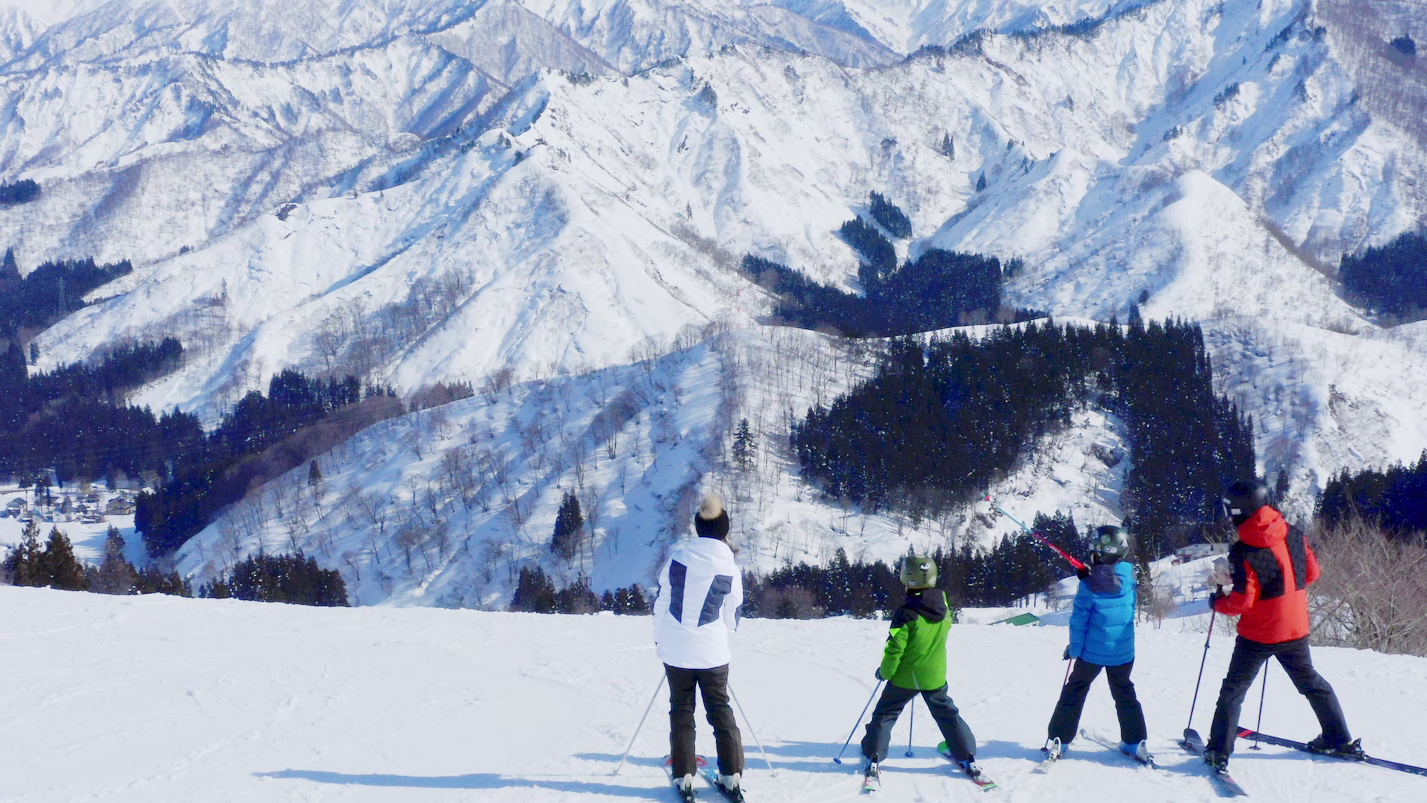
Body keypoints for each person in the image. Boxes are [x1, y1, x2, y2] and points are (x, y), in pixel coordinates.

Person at [1202, 480, 1360, 771]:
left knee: (1234, 690)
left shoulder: (1243, 550)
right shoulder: (1293, 533)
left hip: (1259, 632)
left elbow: (1242, 602)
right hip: (1296, 627)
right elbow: (1311, 573)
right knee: (1311, 683)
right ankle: (1339, 739)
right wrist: (1279, 590)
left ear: (1239, 512)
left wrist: (1217, 602)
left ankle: (1218, 751)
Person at [652, 493, 745, 800]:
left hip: (676, 649)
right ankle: (731, 775)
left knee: (681, 709)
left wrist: (659, 638)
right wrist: (724, 634)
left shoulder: (678, 559)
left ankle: (684, 775)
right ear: (724, 530)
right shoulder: (730, 568)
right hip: (713, 652)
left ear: (697, 528)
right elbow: (732, 613)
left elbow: (662, 603)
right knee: (720, 709)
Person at [859, 555, 983, 784]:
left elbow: (894, 649)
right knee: (947, 714)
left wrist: (885, 673)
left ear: (906, 578)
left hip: (905, 677)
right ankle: (967, 754)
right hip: (935, 675)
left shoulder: (906, 613)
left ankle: (873, 753)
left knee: (885, 714)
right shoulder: (944, 606)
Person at [1043, 525, 1149, 761]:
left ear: (1098, 552)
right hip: (1123, 652)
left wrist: (1074, 650)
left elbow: (1078, 622)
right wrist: (1093, 574)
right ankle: (1134, 741)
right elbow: (1112, 584)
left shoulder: (1088, 587)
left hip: (1092, 654)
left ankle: (1061, 737)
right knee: (1124, 692)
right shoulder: (1129, 577)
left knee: (1075, 690)